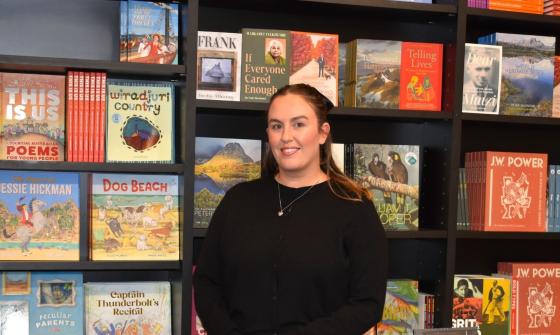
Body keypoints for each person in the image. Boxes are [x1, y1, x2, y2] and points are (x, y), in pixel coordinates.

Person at [194, 83, 388, 335]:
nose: (286, 136)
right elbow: (207, 282)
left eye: (298, 124)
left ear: (322, 132)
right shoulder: (237, 201)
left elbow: (367, 304)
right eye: (277, 126)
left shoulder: (355, 207)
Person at [462, 47, 499, 113]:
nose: (483, 75)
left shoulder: (498, 93)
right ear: (468, 69)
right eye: (478, 69)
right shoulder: (461, 91)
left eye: (487, 69)